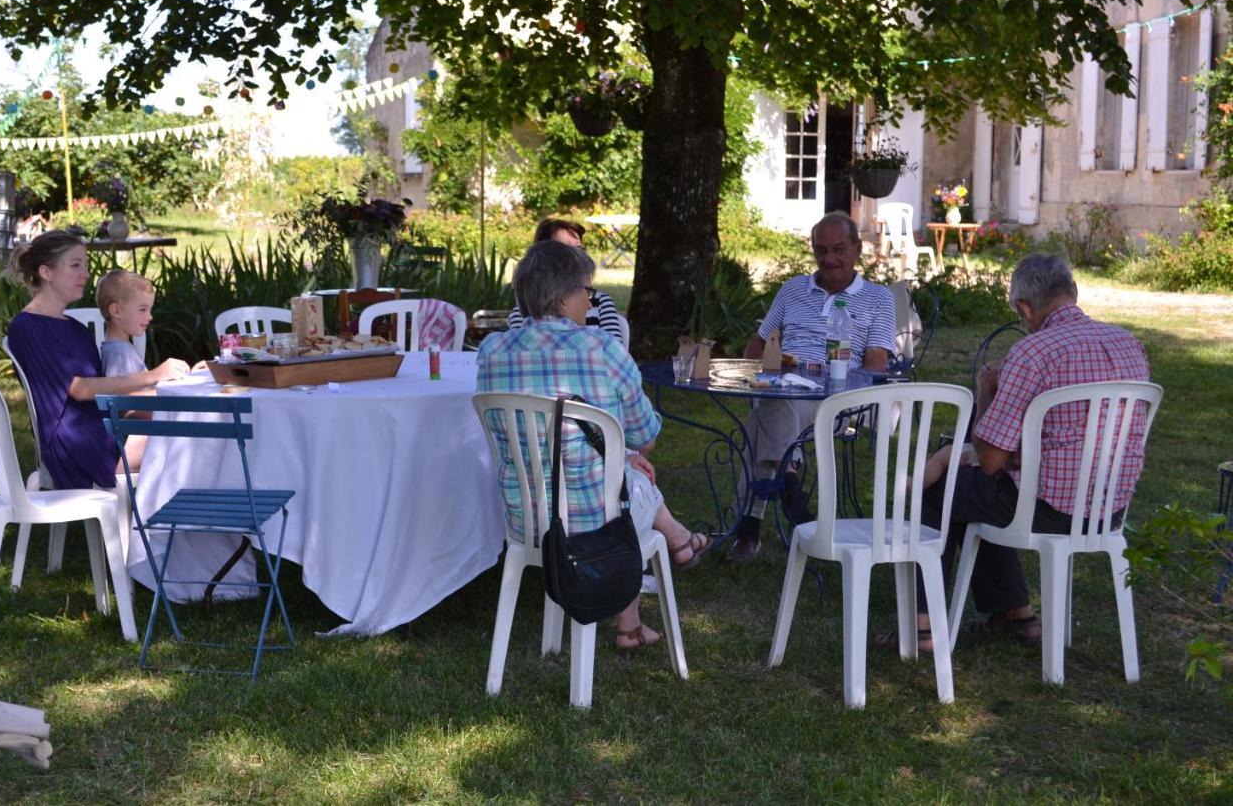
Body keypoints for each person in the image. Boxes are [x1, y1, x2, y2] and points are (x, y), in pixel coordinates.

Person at [885, 253, 1150, 652]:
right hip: (1106, 509)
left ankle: (922, 627)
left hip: (1047, 508)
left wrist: (985, 391)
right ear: (1072, 292)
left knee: (941, 489)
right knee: (989, 491)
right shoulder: (1128, 342)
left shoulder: (1032, 352)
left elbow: (990, 461)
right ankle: (1015, 614)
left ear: (1024, 308)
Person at [478, 240, 712, 650]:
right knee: (631, 482)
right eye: (587, 291)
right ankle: (677, 543)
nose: (591, 301)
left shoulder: (492, 350)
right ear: (564, 296)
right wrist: (626, 449)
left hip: (526, 516)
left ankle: (636, 617)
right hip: (595, 520)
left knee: (623, 473)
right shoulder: (603, 348)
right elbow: (647, 436)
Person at [730, 212, 897, 562]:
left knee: (763, 419)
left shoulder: (878, 298)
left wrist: (844, 388)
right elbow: (758, 345)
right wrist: (765, 370)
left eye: (838, 249)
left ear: (857, 249)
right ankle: (789, 492)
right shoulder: (793, 290)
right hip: (783, 387)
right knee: (776, 405)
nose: (829, 259)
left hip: (837, 398)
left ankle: (752, 523)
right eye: (820, 249)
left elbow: (876, 364)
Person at [5, 229, 190, 489]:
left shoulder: (75, 328)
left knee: (193, 427)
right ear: (46, 273)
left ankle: (171, 524)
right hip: (77, 445)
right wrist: (154, 375)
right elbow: (81, 389)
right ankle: (178, 525)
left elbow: (102, 391)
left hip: (101, 430)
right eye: (76, 265)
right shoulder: (28, 327)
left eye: (86, 265)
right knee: (190, 438)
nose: (86, 273)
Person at [507, 218, 624, 343]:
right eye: (564, 249)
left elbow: (616, 347)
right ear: (541, 255)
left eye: (579, 248)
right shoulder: (528, 308)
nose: (577, 255)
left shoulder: (600, 301)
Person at [95, 270, 153, 378]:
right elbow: (123, 394)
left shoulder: (121, 348)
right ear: (117, 311)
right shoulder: (119, 354)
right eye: (142, 309)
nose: (150, 316)